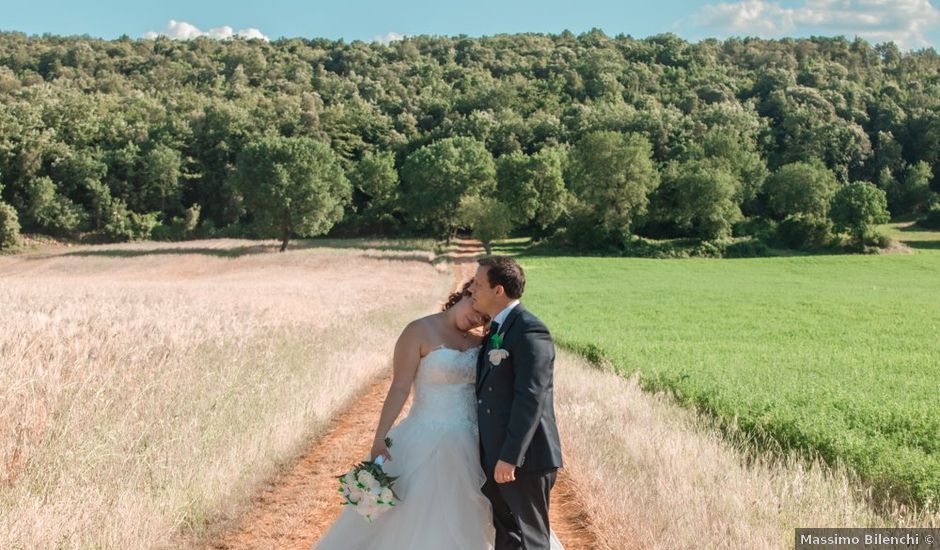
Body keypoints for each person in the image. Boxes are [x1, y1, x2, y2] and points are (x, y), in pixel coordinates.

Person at [470, 256, 564, 550]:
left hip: (524, 459)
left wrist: (511, 456)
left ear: (498, 291)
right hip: (497, 455)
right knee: (507, 537)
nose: (471, 289)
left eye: (477, 283)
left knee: (530, 539)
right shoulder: (498, 329)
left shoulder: (529, 330)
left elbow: (531, 398)